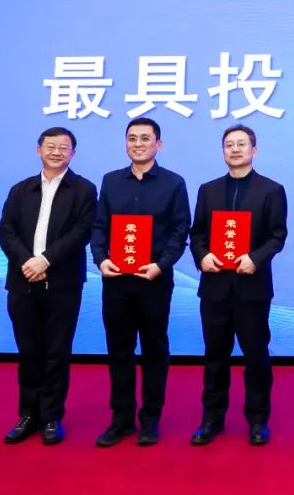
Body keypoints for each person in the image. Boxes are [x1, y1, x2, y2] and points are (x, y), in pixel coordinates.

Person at [90, 117, 191, 447]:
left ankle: (150, 420)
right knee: (119, 350)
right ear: (125, 144)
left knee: (154, 350)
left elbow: (180, 231)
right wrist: (101, 258)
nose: (138, 144)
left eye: (145, 138)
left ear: (158, 144)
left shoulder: (173, 183)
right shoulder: (111, 181)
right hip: (116, 280)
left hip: (154, 280)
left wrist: (161, 265)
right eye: (132, 138)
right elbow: (99, 226)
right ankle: (120, 420)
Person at [0, 126, 97, 445]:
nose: (56, 152)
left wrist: (46, 260)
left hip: (63, 283)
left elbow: (81, 232)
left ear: (73, 154)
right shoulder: (20, 190)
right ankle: (28, 415)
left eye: (63, 147)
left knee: (57, 351)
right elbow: (6, 230)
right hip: (22, 280)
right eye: (50, 146)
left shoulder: (84, 190)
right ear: (38, 149)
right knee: (29, 352)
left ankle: (52, 416)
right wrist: (28, 261)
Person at [189, 124, 287, 446]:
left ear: (253, 150)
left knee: (256, 355)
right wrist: (202, 256)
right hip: (215, 286)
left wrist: (255, 258)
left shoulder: (271, 190)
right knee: (214, 356)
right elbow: (197, 233)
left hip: (252, 287)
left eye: (241, 144)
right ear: (223, 151)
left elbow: (277, 235)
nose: (235, 149)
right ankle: (211, 420)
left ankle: (258, 421)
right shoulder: (208, 190)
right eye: (229, 144)